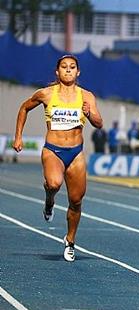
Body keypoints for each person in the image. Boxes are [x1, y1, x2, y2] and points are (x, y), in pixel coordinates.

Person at [12, 54, 103, 262]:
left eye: (72, 67)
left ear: (78, 72)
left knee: (76, 200)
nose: (68, 70)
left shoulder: (86, 96)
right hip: (53, 149)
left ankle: (70, 241)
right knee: (53, 183)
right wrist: (18, 136)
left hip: (76, 152)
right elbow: (24, 107)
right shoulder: (45, 94)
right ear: (57, 71)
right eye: (64, 67)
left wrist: (90, 114)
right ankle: (49, 200)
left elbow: (99, 123)